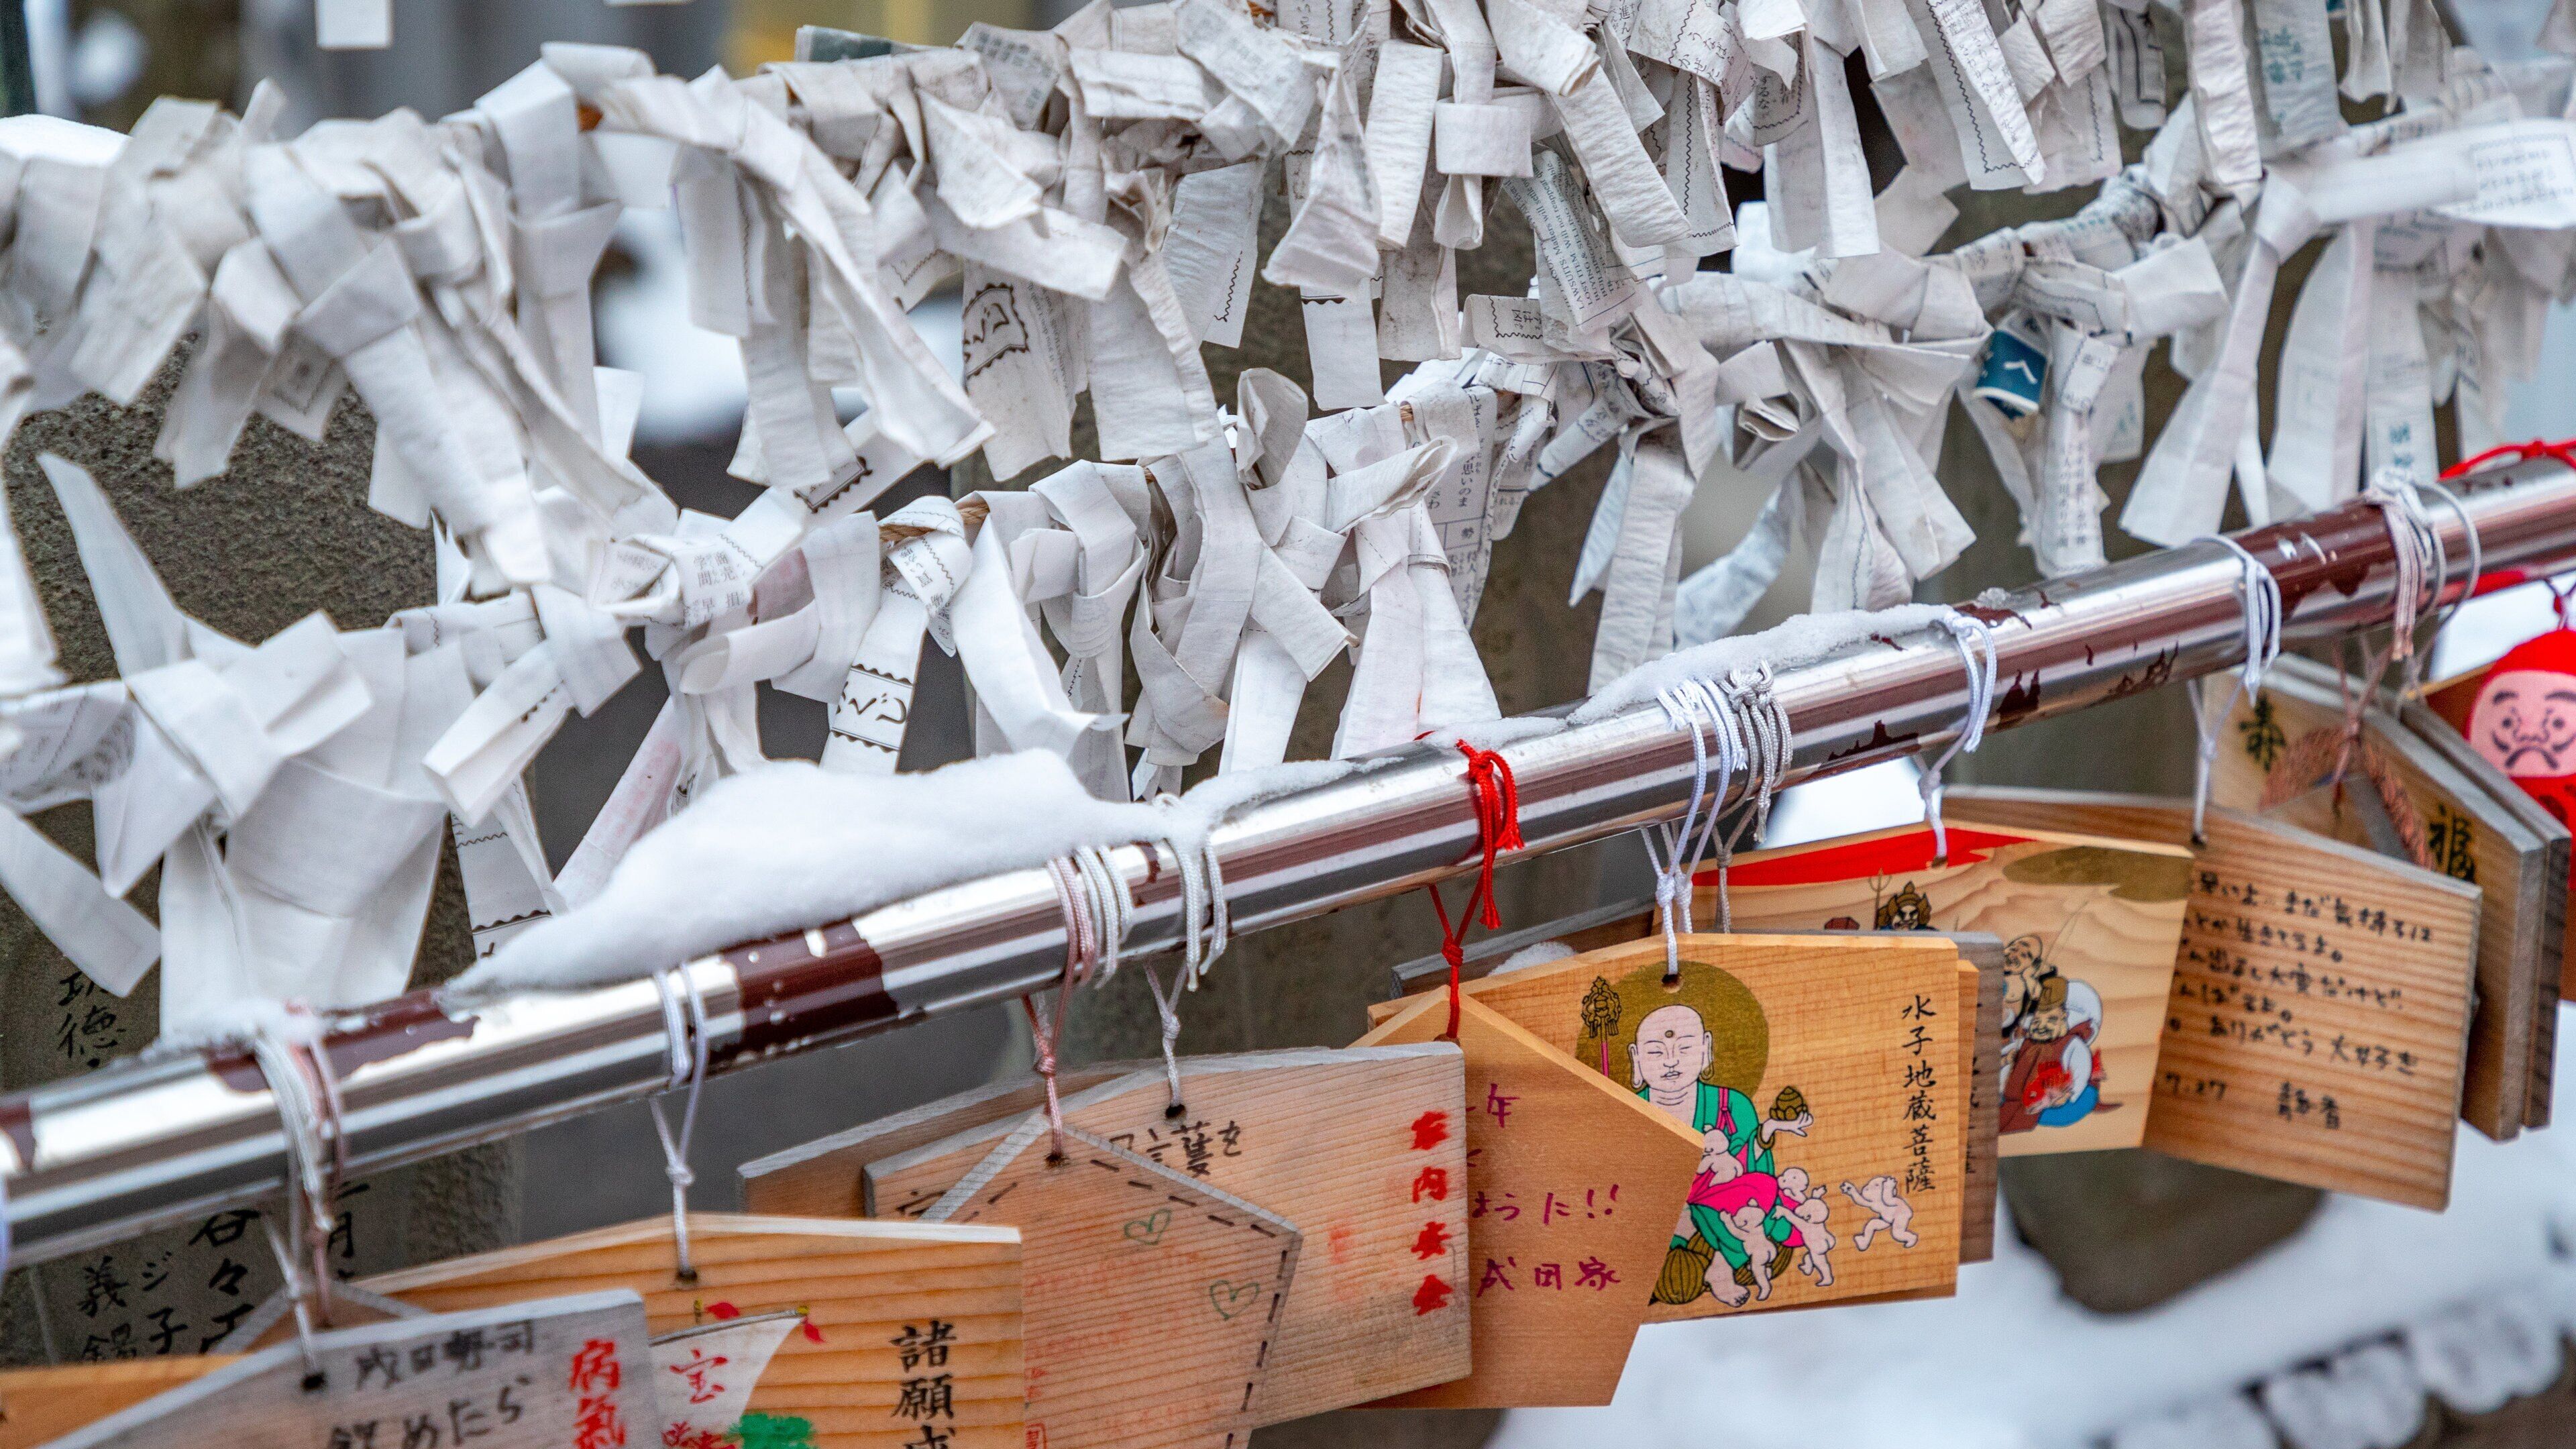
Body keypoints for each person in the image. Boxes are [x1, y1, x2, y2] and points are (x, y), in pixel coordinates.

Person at [1632, 1003, 1809, 1303]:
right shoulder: (1627, 1111)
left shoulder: (1733, 1105)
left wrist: (1765, 1136)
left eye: (1685, 1049)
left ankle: (1710, 1267)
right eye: (1656, 1052)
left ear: (1706, 1049)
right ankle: (1702, 1269)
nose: (1671, 1062)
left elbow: (1757, 1173)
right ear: (1636, 1059)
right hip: (1661, 1221)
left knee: (1767, 1238)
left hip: (1728, 1212)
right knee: (1671, 1263)